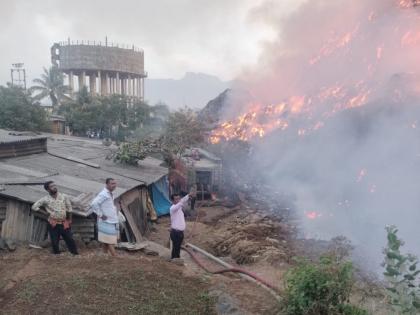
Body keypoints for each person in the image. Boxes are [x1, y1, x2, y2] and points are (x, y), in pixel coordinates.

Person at [32, 181, 78, 255]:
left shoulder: (63, 196)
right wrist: (45, 213)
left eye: (54, 185)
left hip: (64, 222)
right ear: (47, 189)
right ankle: (57, 254)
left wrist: (70, 219)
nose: (54, 187)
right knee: (54, 240)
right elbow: (34, 207)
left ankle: (75, 254)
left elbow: (69, 208)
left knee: (69, 239)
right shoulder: (45, 199)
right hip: (53, 222)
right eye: (52, 186)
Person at [90, 178, 120, 256]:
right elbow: (94, 204)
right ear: (107, 184)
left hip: (110, 220)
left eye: (115, 184)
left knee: (105, 240)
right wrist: (100, 214)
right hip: (106, 221)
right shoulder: (104, 194)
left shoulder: (110, 193)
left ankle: (104, 256)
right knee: (110, 241)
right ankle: (115, 258)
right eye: (112, 184)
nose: (114, 185)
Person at [169, 191, 192, 260]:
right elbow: (181, 203)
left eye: (178, 198)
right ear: (172, 201)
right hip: (175, 232)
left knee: (177, 247)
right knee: (176, 247)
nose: (178, 200)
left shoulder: (179, 209)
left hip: (180, 232)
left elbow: (181, 203)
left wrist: (188, 197)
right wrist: (188, 196)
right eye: (176, 199)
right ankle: (174, 260)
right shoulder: (173, 208)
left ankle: (176, 259)